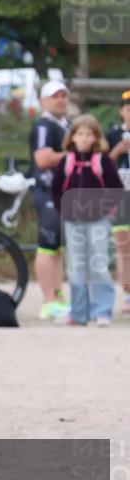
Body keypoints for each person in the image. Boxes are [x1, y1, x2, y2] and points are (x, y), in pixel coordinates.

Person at [50, 114, 124, 326]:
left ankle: (102, 311)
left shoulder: (103, 161)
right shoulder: (66, 162)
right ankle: (79, 312)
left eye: (88, 134)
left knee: (99, 263)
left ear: (95, 138)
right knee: (76, 266)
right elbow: (56, 189)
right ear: (72, 137)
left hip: (98, 220)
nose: (83, 138)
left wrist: (104, 209)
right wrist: (63, 209)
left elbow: (116, 189)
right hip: (73, 221)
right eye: (79, 134)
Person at [29, 80, 72, 320]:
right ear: (44, 101)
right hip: (48, 191)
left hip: (67, 192)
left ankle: (58, 295)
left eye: (63, 95)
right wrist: (76, 154)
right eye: (54, 96)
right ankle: (48, 300)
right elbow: (43, 159)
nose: (60, 100)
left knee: (58, 247)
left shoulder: (67, 124)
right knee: (48, 244)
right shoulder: (45, 126)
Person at [103, 89, 130, 315]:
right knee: (124, 247)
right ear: (122, 112)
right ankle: (128, 293)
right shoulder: (111, 135)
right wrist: (118, 151)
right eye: (129, 109)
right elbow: (101, 165)